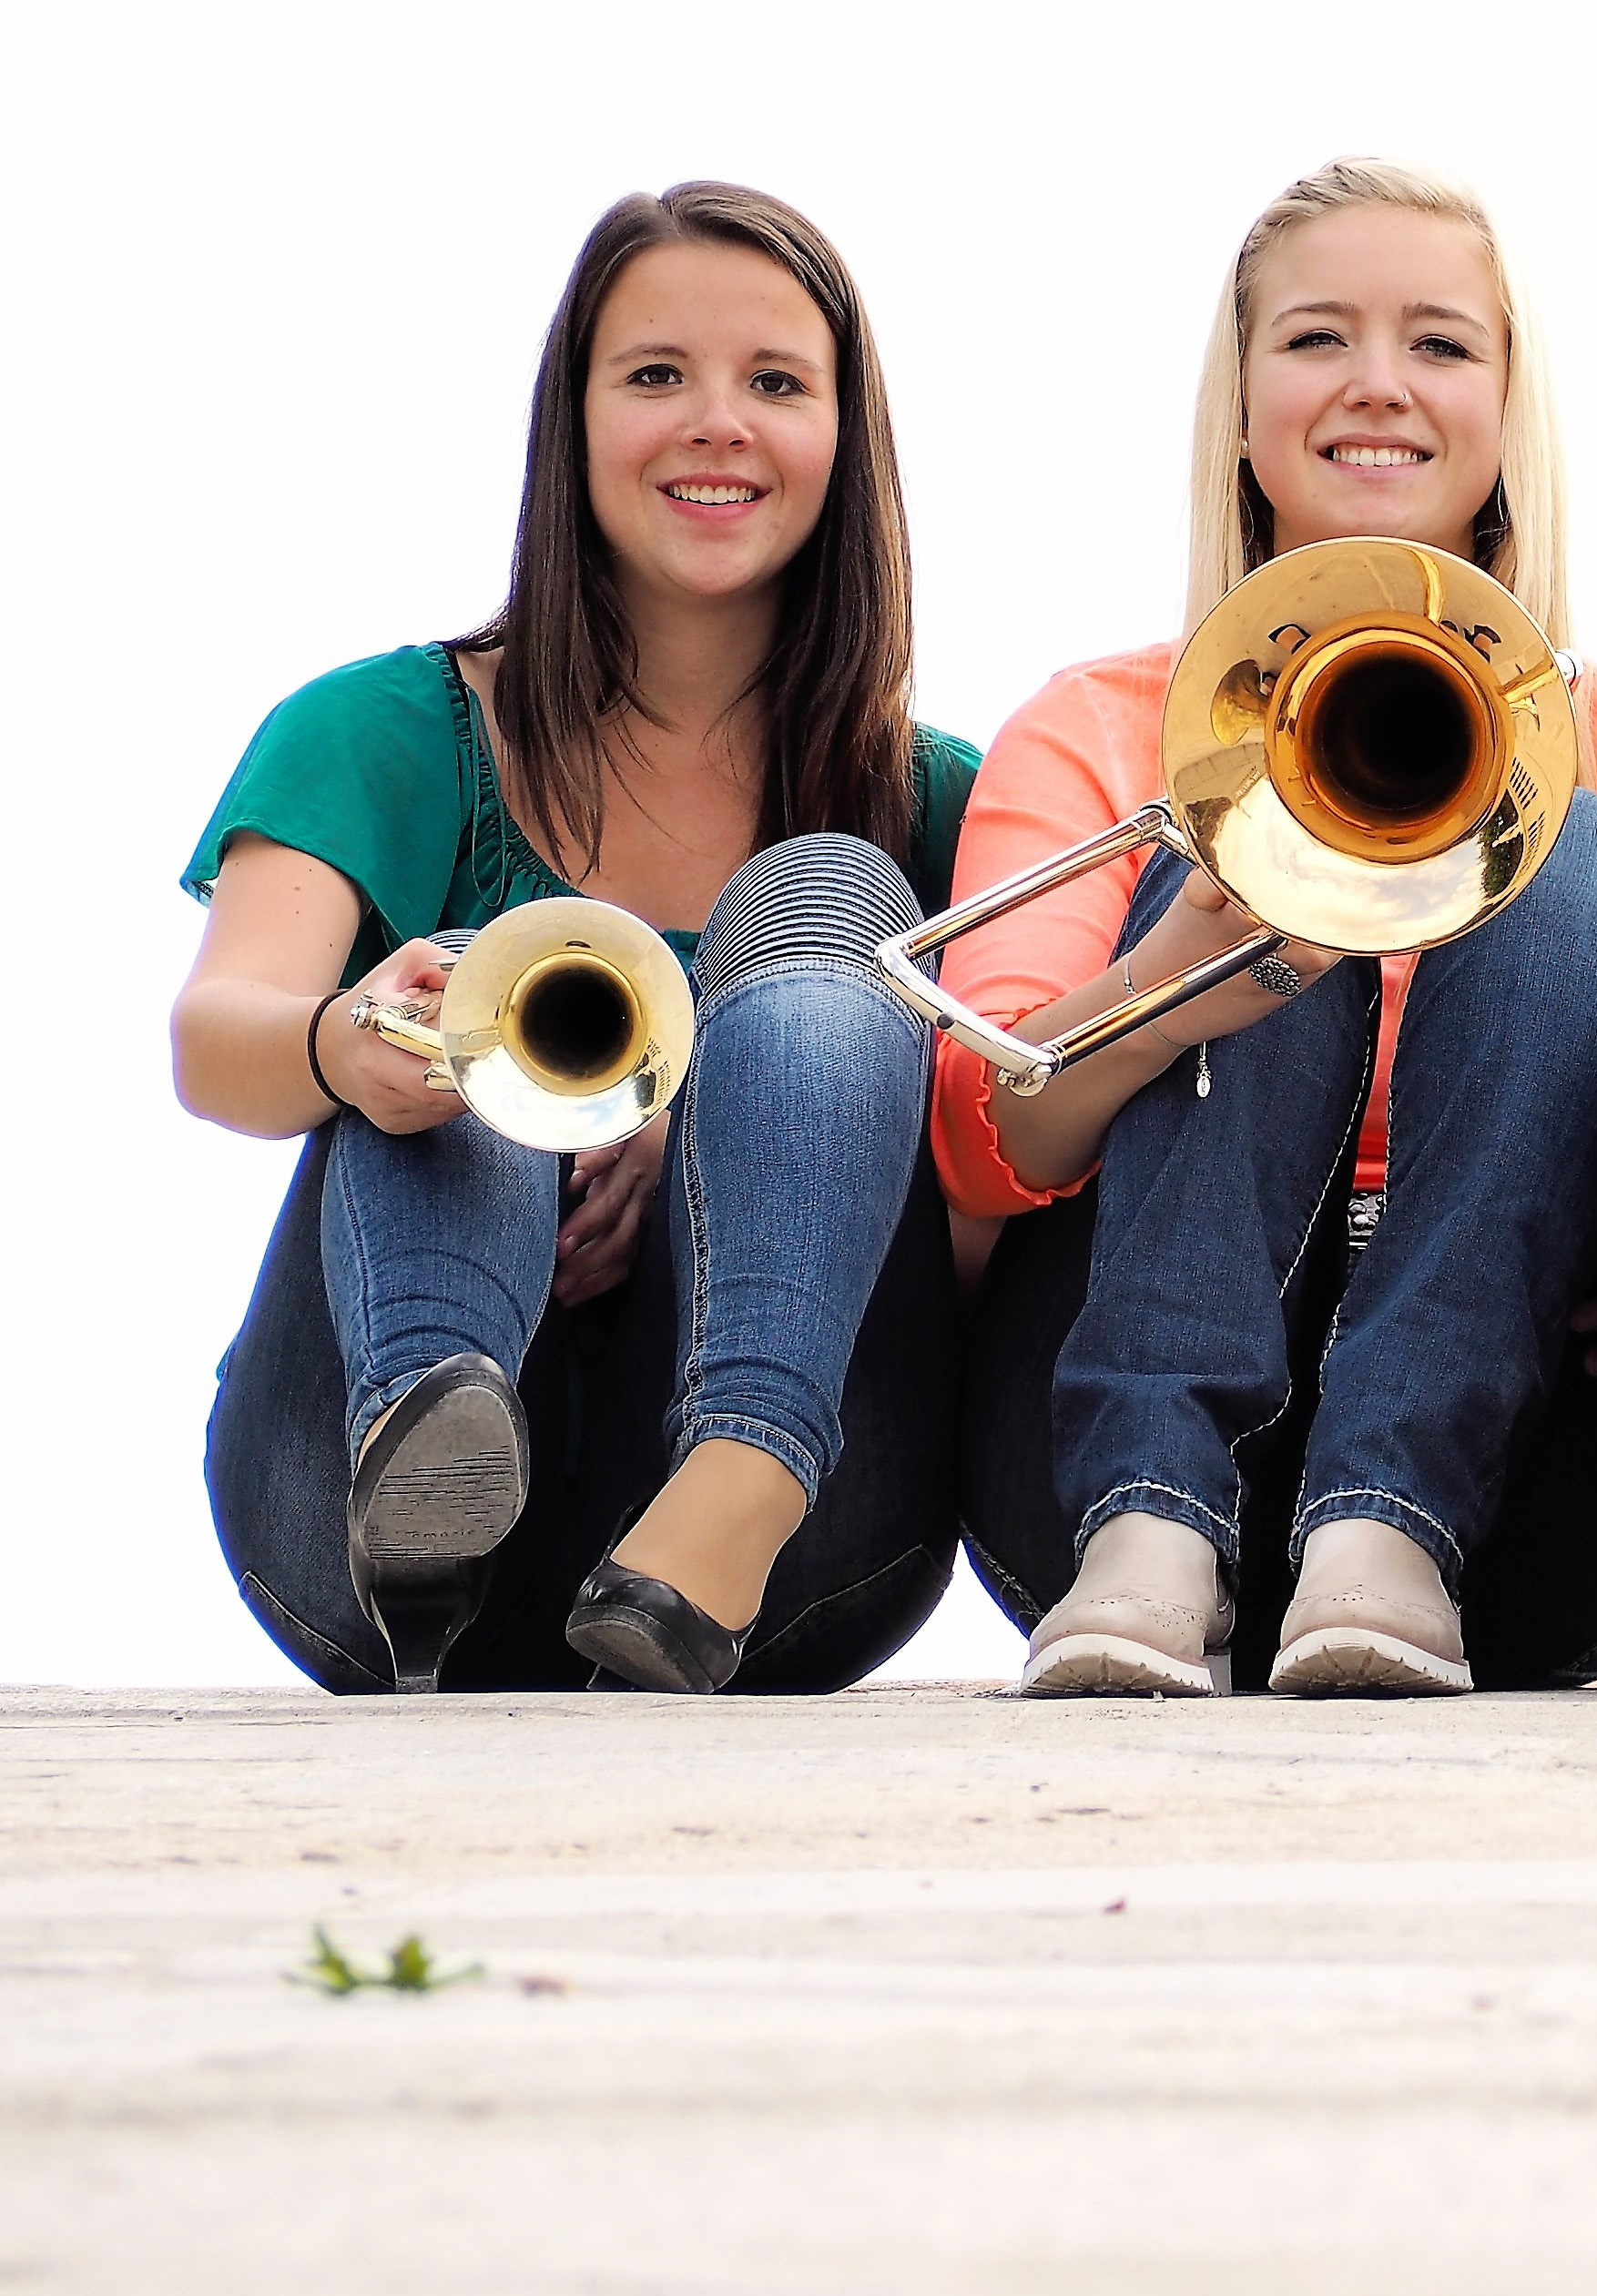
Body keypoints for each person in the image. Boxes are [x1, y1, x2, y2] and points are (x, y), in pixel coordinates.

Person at [939, 159, 1597, 1701]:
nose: (1378, 385)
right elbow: (990, 1147)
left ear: (1509, 413)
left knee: (1564, 846)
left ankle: (1392, 1523)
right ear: (1240, 409)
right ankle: (1159, 1523)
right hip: (1101, 1467)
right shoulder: (1096, 724)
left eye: (1439, 344)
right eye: (1316, 339)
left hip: (1515, 1482)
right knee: (1259, 848)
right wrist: (1175, 978)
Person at [173, 184, 977, 1695]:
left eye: (776, 383)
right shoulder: (382, 726)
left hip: (792, 1567)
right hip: (344, 1534)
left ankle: (731, 1489)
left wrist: (732, 1119)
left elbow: (1007, 1198)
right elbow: (218, 1039)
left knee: (826, 895)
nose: (715, 424)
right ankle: (429, 1446)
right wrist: (355, 1045)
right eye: (656, 375)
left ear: (841, 440)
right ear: (576, 417)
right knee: (485, 978)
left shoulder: (940, 802)